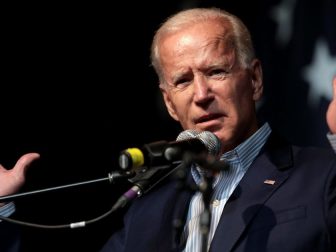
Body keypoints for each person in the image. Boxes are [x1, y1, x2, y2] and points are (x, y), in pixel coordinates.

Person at [0, 7, 335, 252]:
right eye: (183, 81)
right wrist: (3, 209)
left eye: (216, 71)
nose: (201, 95)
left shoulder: (322, 176)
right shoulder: (148, 208)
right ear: (170, 103)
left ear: (255, 79)